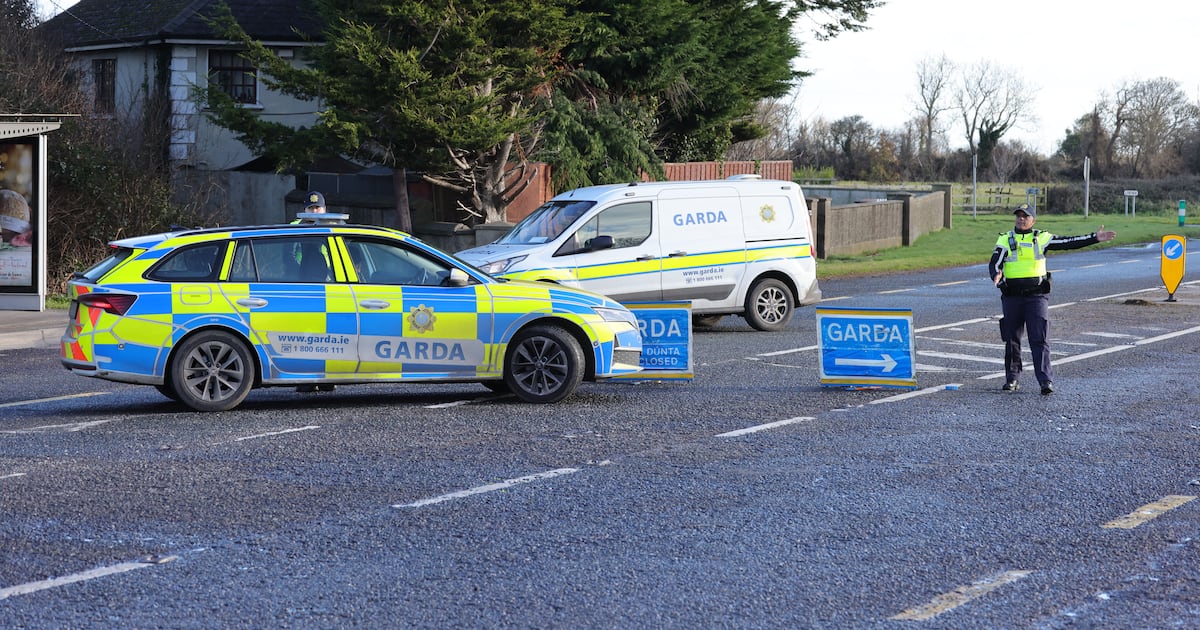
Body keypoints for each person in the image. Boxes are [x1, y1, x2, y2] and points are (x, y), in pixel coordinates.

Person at [988, 203, 1116, 395]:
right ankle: (1012, 378)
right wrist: (996, 274)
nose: (1021, 219)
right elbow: (996, 260)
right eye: (1019, 216)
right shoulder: (1006, 239)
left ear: (1033, 220)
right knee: (1012, 339)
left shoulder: (1042, 238)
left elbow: (1069, 242)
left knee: (1039, 338)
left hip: (1036, 296)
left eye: (1025, 216)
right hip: (1012, 296)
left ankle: (1045, 381)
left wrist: (1094, 238)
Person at [294, 190, 336, 393]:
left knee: (330, 334)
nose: (315, 211)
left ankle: (327, 376)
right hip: (304, 287)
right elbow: (286, 256)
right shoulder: (295, 227)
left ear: (325, 209)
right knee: (306, 334)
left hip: (332, 287)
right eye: (311, 208)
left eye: (318, 207)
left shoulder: (333, 226)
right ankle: (306, 378)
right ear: (304, 210)